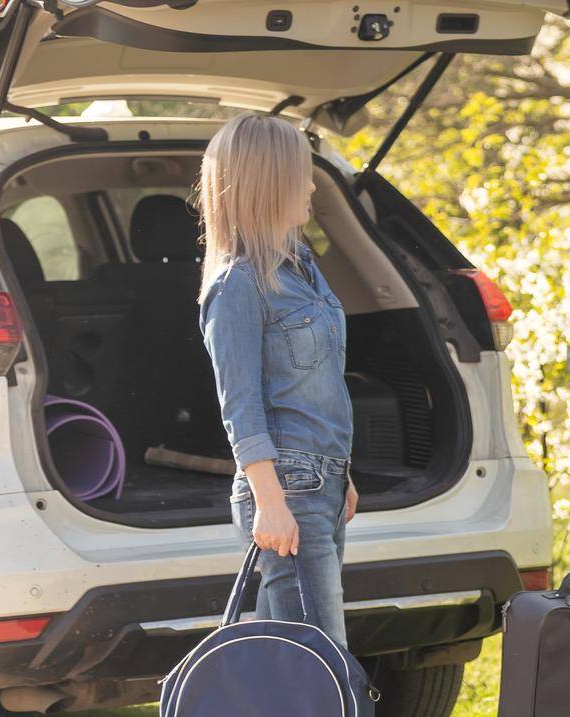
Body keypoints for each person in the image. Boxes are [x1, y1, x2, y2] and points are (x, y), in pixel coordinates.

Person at [197, 113, 357, 648]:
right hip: (287, 486)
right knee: (317, 658)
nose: (311, 185)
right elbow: (239, 406)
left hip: (321, 483)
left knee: (289, 662)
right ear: (267, 183)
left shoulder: (301, 269)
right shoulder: (237, 285)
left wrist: (341, 474)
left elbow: (320, 385)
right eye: (300, 174)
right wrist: (269, 502)